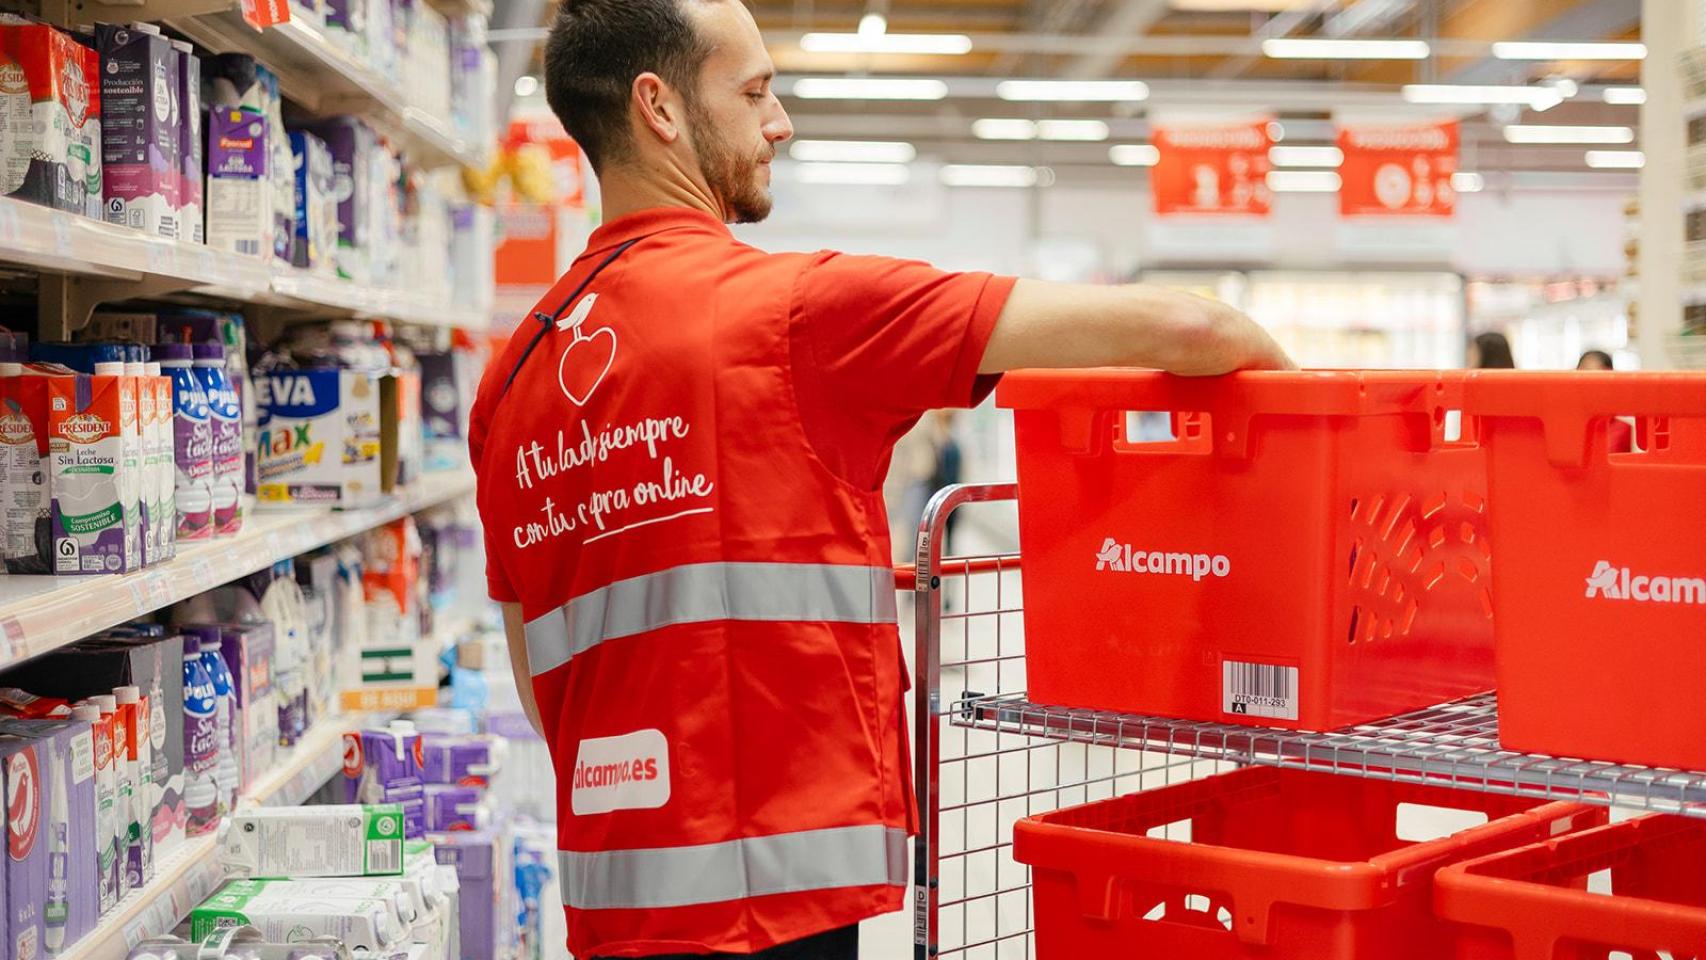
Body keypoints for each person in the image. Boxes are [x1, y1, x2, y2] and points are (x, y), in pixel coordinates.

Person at [466, 2, 1294, 958]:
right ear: (659, 106)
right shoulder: (792, 314)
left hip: (616, 902)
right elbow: (1196, 333)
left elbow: (541, 685)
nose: (779, 122)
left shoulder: (513, 380)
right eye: (755, 91)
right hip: (776, 899)